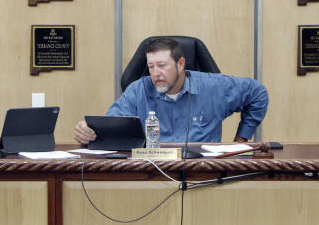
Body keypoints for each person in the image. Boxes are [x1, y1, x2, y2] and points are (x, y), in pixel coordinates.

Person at [73, 37, 268, 144]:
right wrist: (89, 131)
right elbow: (112, 125)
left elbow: (258, 93)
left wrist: (240, 140)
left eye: (162, 65)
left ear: (181, 64)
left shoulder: (214, 87)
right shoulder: (138, 91)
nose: (156, 73)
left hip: (203, 172)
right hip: (152, 173)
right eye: (151, 67)